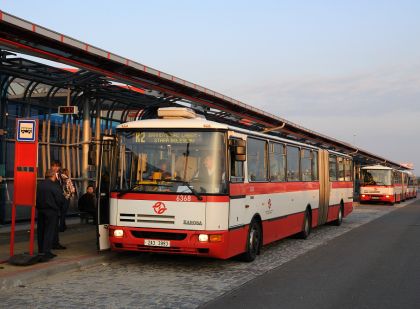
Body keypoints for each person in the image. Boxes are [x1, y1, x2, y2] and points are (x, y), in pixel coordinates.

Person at [36, 169, 65, 262]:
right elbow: (60, 199)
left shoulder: (39, 184)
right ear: (53, 176)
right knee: (49, 231)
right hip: (51, 211)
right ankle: (46, 252)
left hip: (40, 210)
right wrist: (58, 206)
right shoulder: (54, 185)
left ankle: (41, 250)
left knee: (41, 230)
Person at [50, 160, 66, 250]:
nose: (55, 168)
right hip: (53, 203)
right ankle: (53, 243)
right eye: (53, 166)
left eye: (57, 166)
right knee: (52, 226)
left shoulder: (61, 176)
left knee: (56, 225)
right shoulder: (49, 176)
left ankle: (55, 243)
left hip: (59, 203)